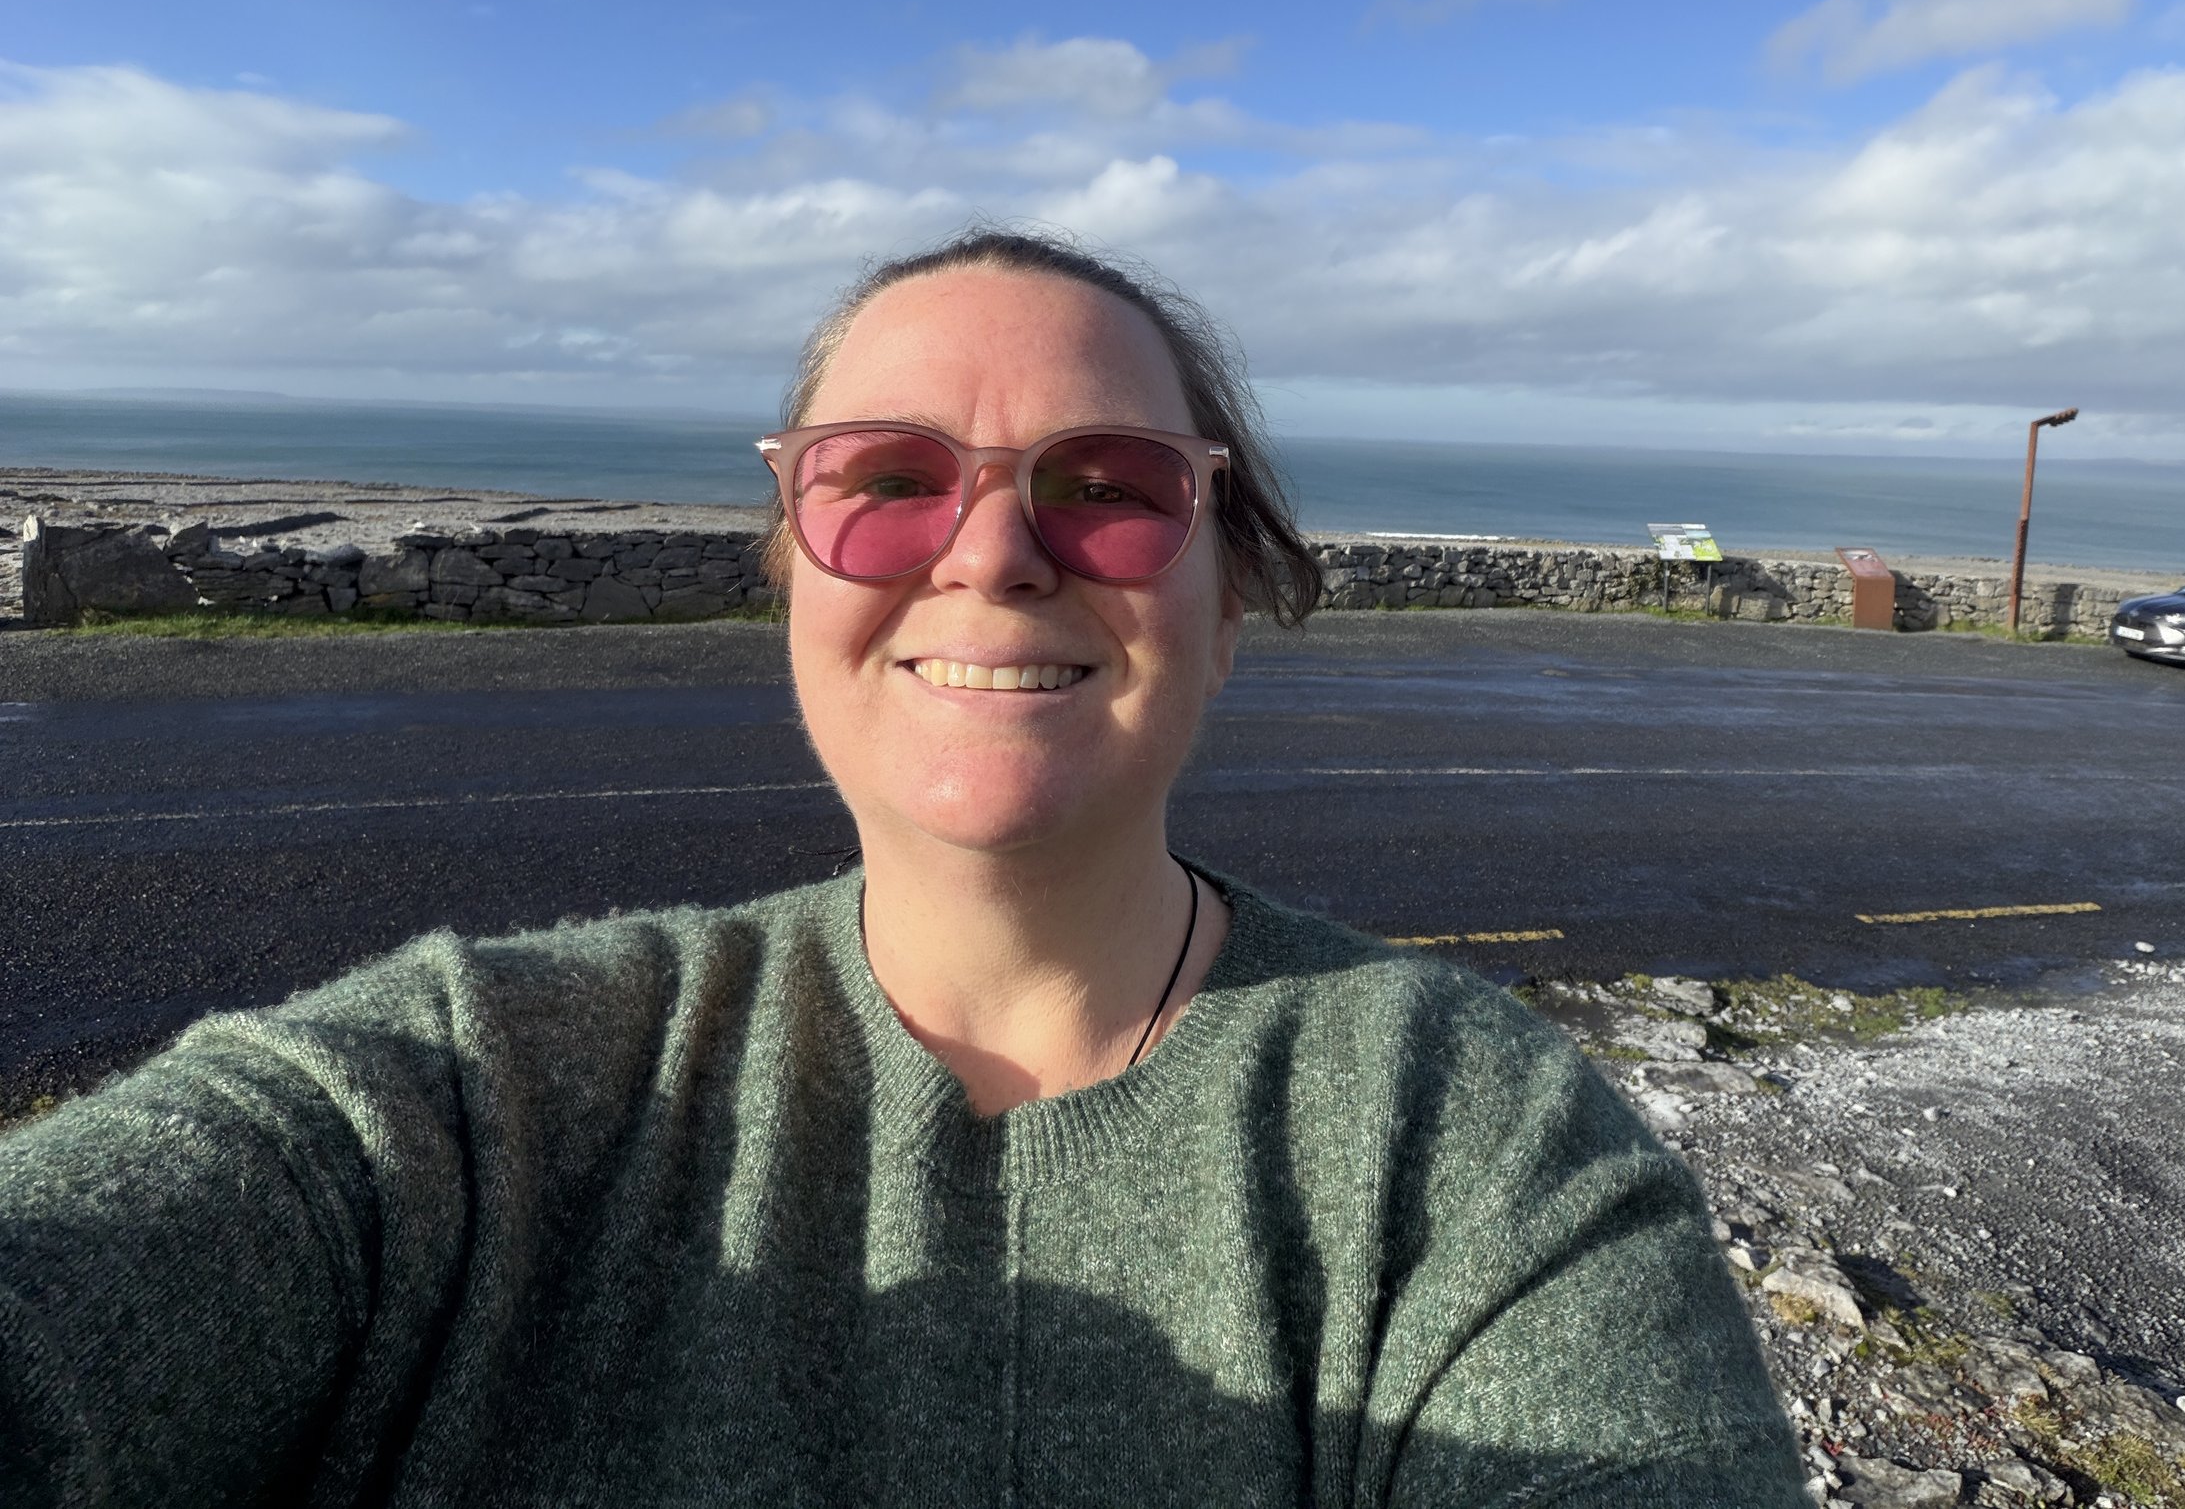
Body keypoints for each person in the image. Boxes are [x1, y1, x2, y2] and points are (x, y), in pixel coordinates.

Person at [0, 231, 1805, 1506]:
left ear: (1227, 596)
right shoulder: (470, 1088)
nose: (998, 554)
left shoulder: (1474, 1147)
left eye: (1109, 481)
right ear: (795, 571)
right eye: (889, 478)